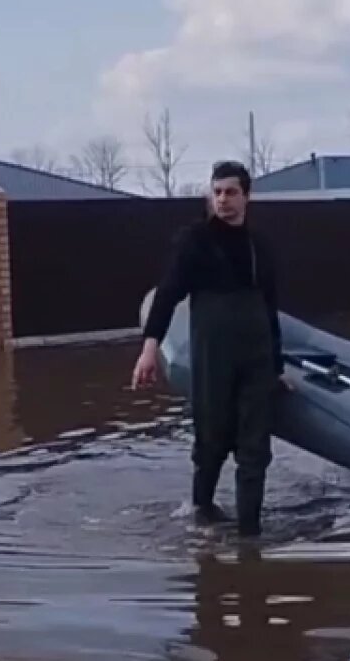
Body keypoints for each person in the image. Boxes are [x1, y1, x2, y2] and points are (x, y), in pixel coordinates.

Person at [131, 160, 291, 536]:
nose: (223, 200)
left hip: (256, 358)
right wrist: (149, 348)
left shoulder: (259, 246)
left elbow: (270, 309)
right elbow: (168, 294)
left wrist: (277, 367)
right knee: (211, 440)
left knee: (254, 449)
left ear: (247, 196)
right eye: (217, 192)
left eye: (231, 192)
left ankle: (250, 539)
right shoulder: (195, 241)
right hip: (213, 358)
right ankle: (201, 511)